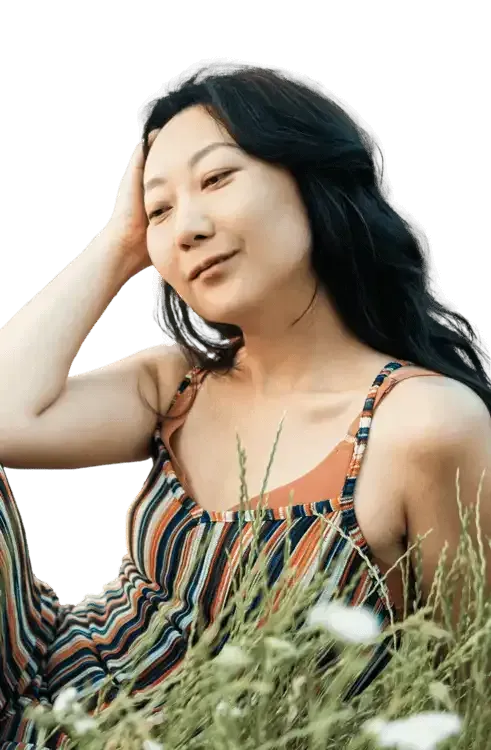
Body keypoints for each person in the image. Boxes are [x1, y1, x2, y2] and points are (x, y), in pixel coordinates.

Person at [0, 67, 490, 747]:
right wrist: (116, 246)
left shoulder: (424, 427)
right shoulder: (179, 382)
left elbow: (467, 695)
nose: (187, 228)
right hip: (48, 689)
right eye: (160, 210)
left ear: (309, 178)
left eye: (217, 179)